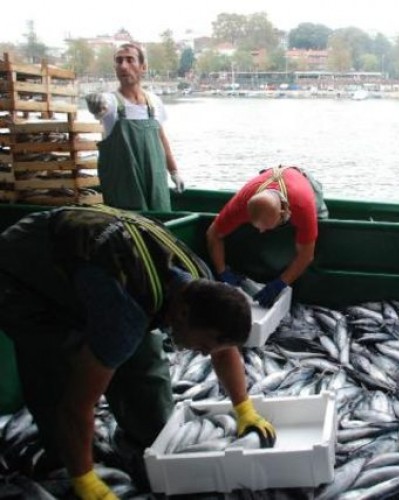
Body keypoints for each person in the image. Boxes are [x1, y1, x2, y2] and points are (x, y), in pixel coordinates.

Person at [0, 205, 275, 500]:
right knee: (60, 372)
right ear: (181, 313)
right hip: (23, 268)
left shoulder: (199, 281)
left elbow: (222, 350)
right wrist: (85, 480)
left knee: (144, 382)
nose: (204, 353)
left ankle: (136, 441)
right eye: (203, 346)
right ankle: (66, 463)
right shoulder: (125, 315)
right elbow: (77, 407)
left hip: (101, 268)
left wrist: (244, 408)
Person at [206, 165, 328, 308]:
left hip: (303, 181)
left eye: (267, 227)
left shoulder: (302, 206)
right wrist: (222, 271)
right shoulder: (241, 203)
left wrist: (280, 283)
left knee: (320, 228)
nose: (262, 231)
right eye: (257, 227)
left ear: (283, 213)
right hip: (269, 177)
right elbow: (213, 233)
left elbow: (306, 255)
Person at [85, 43, 184, 212]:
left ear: (143, 67)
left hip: (155, 185)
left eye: (130, 60)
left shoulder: (154, 103)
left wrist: (174, 172)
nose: (123, 66)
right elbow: (100, 109)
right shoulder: (111, 102)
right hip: (125, 192)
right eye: (119, 61)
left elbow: (162, 139)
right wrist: (95, 105)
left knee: (160, 224)